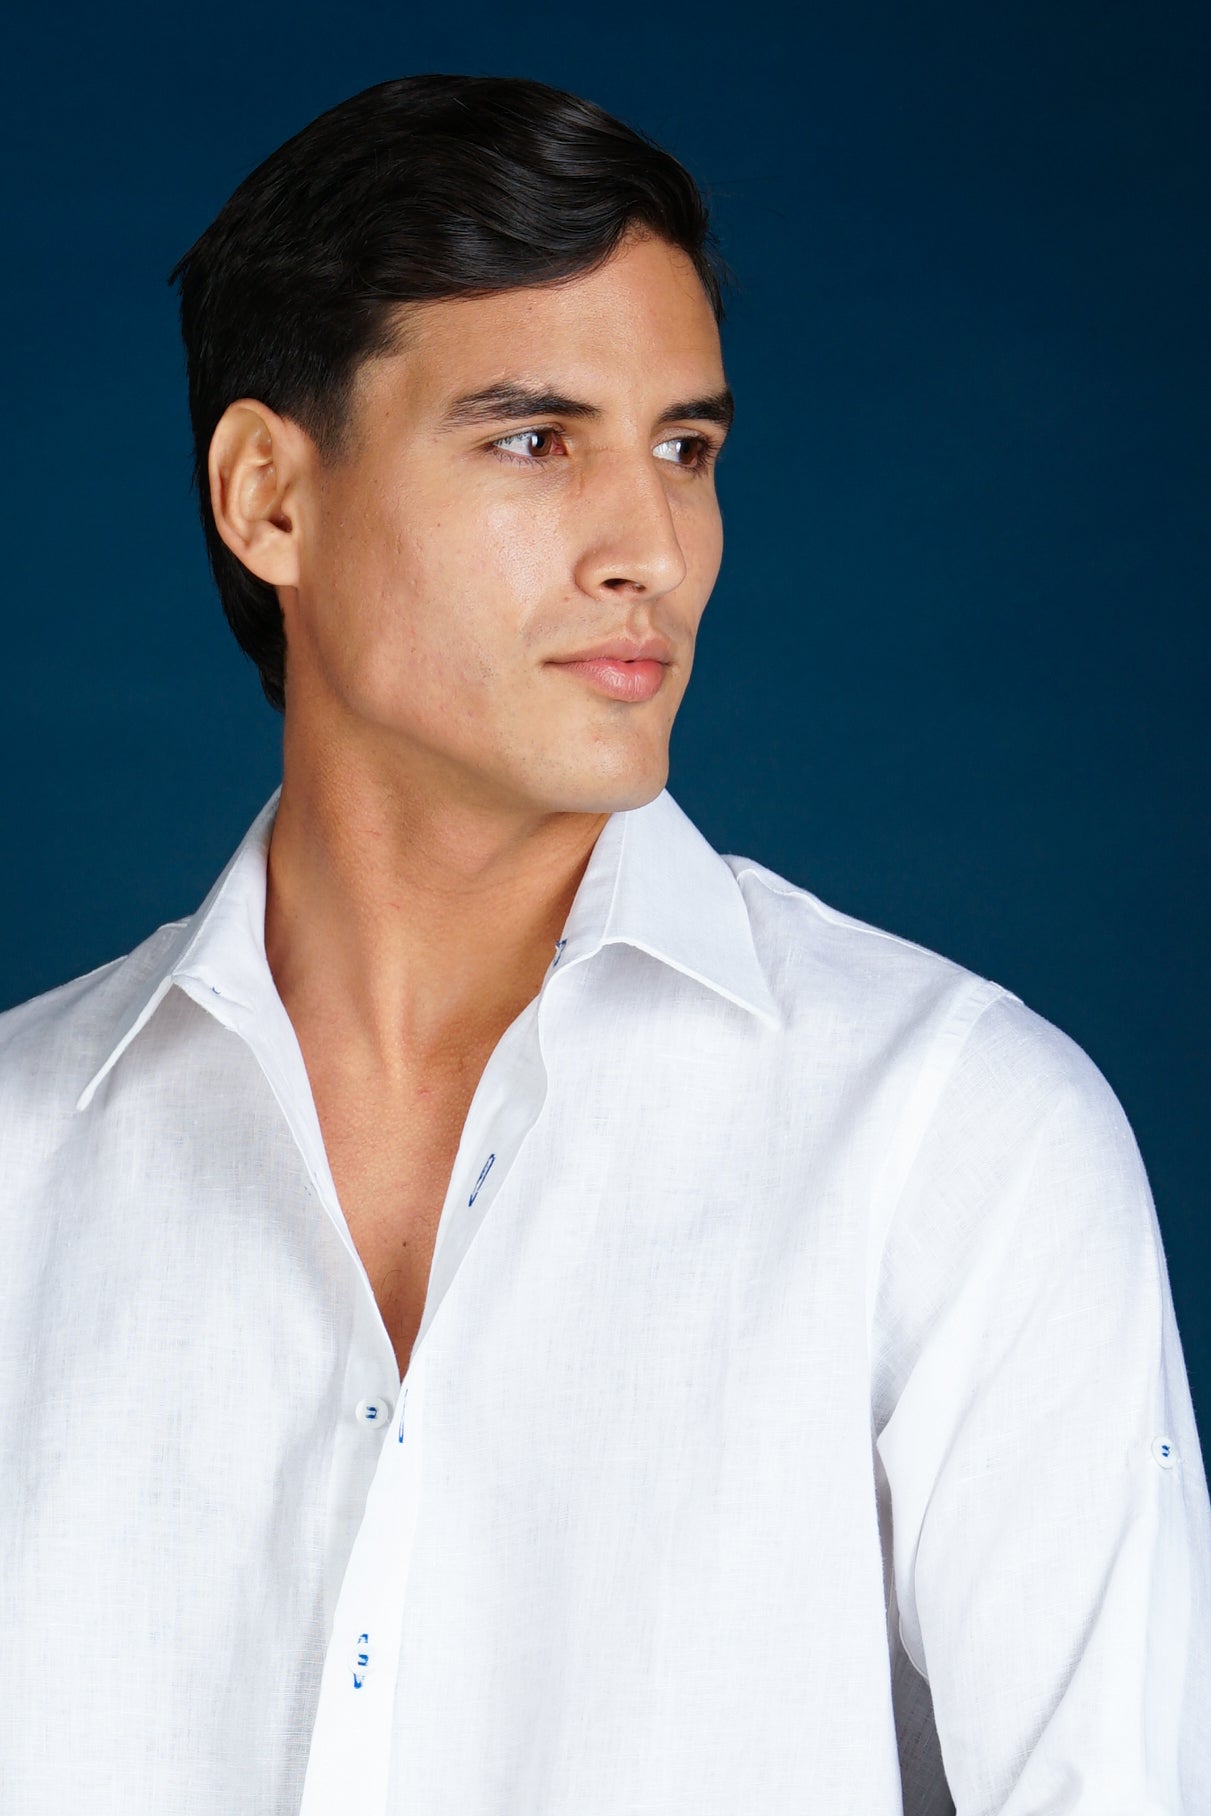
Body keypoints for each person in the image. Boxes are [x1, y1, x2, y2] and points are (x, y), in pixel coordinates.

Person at [0, 73, 1207, 1816]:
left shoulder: (955, 1146)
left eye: (685, 449)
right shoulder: (21, 1170)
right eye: (533, 440)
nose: (653, 548)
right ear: (270, 499)